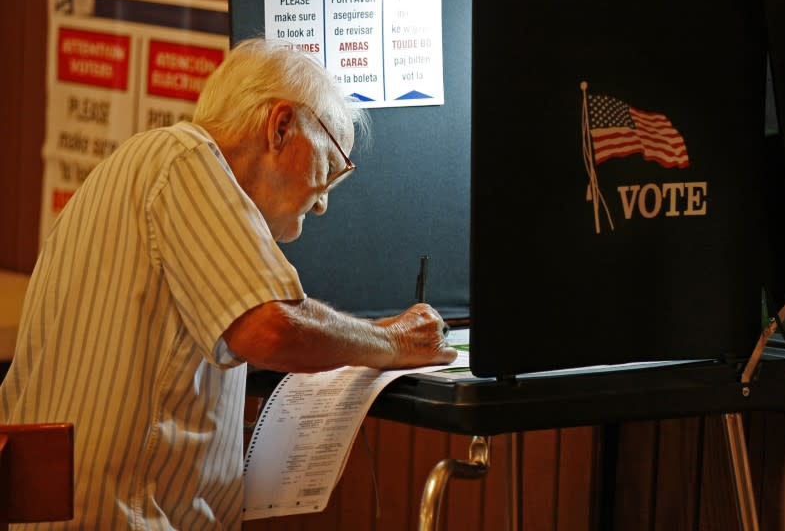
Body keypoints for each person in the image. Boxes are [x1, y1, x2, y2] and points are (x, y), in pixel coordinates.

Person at [0, 37, 457, 529]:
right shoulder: (184, 156)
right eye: (327, 169)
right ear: (281, 126)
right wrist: (393, 341)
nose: (322, 203)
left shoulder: (146, 169)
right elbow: (271, 330)